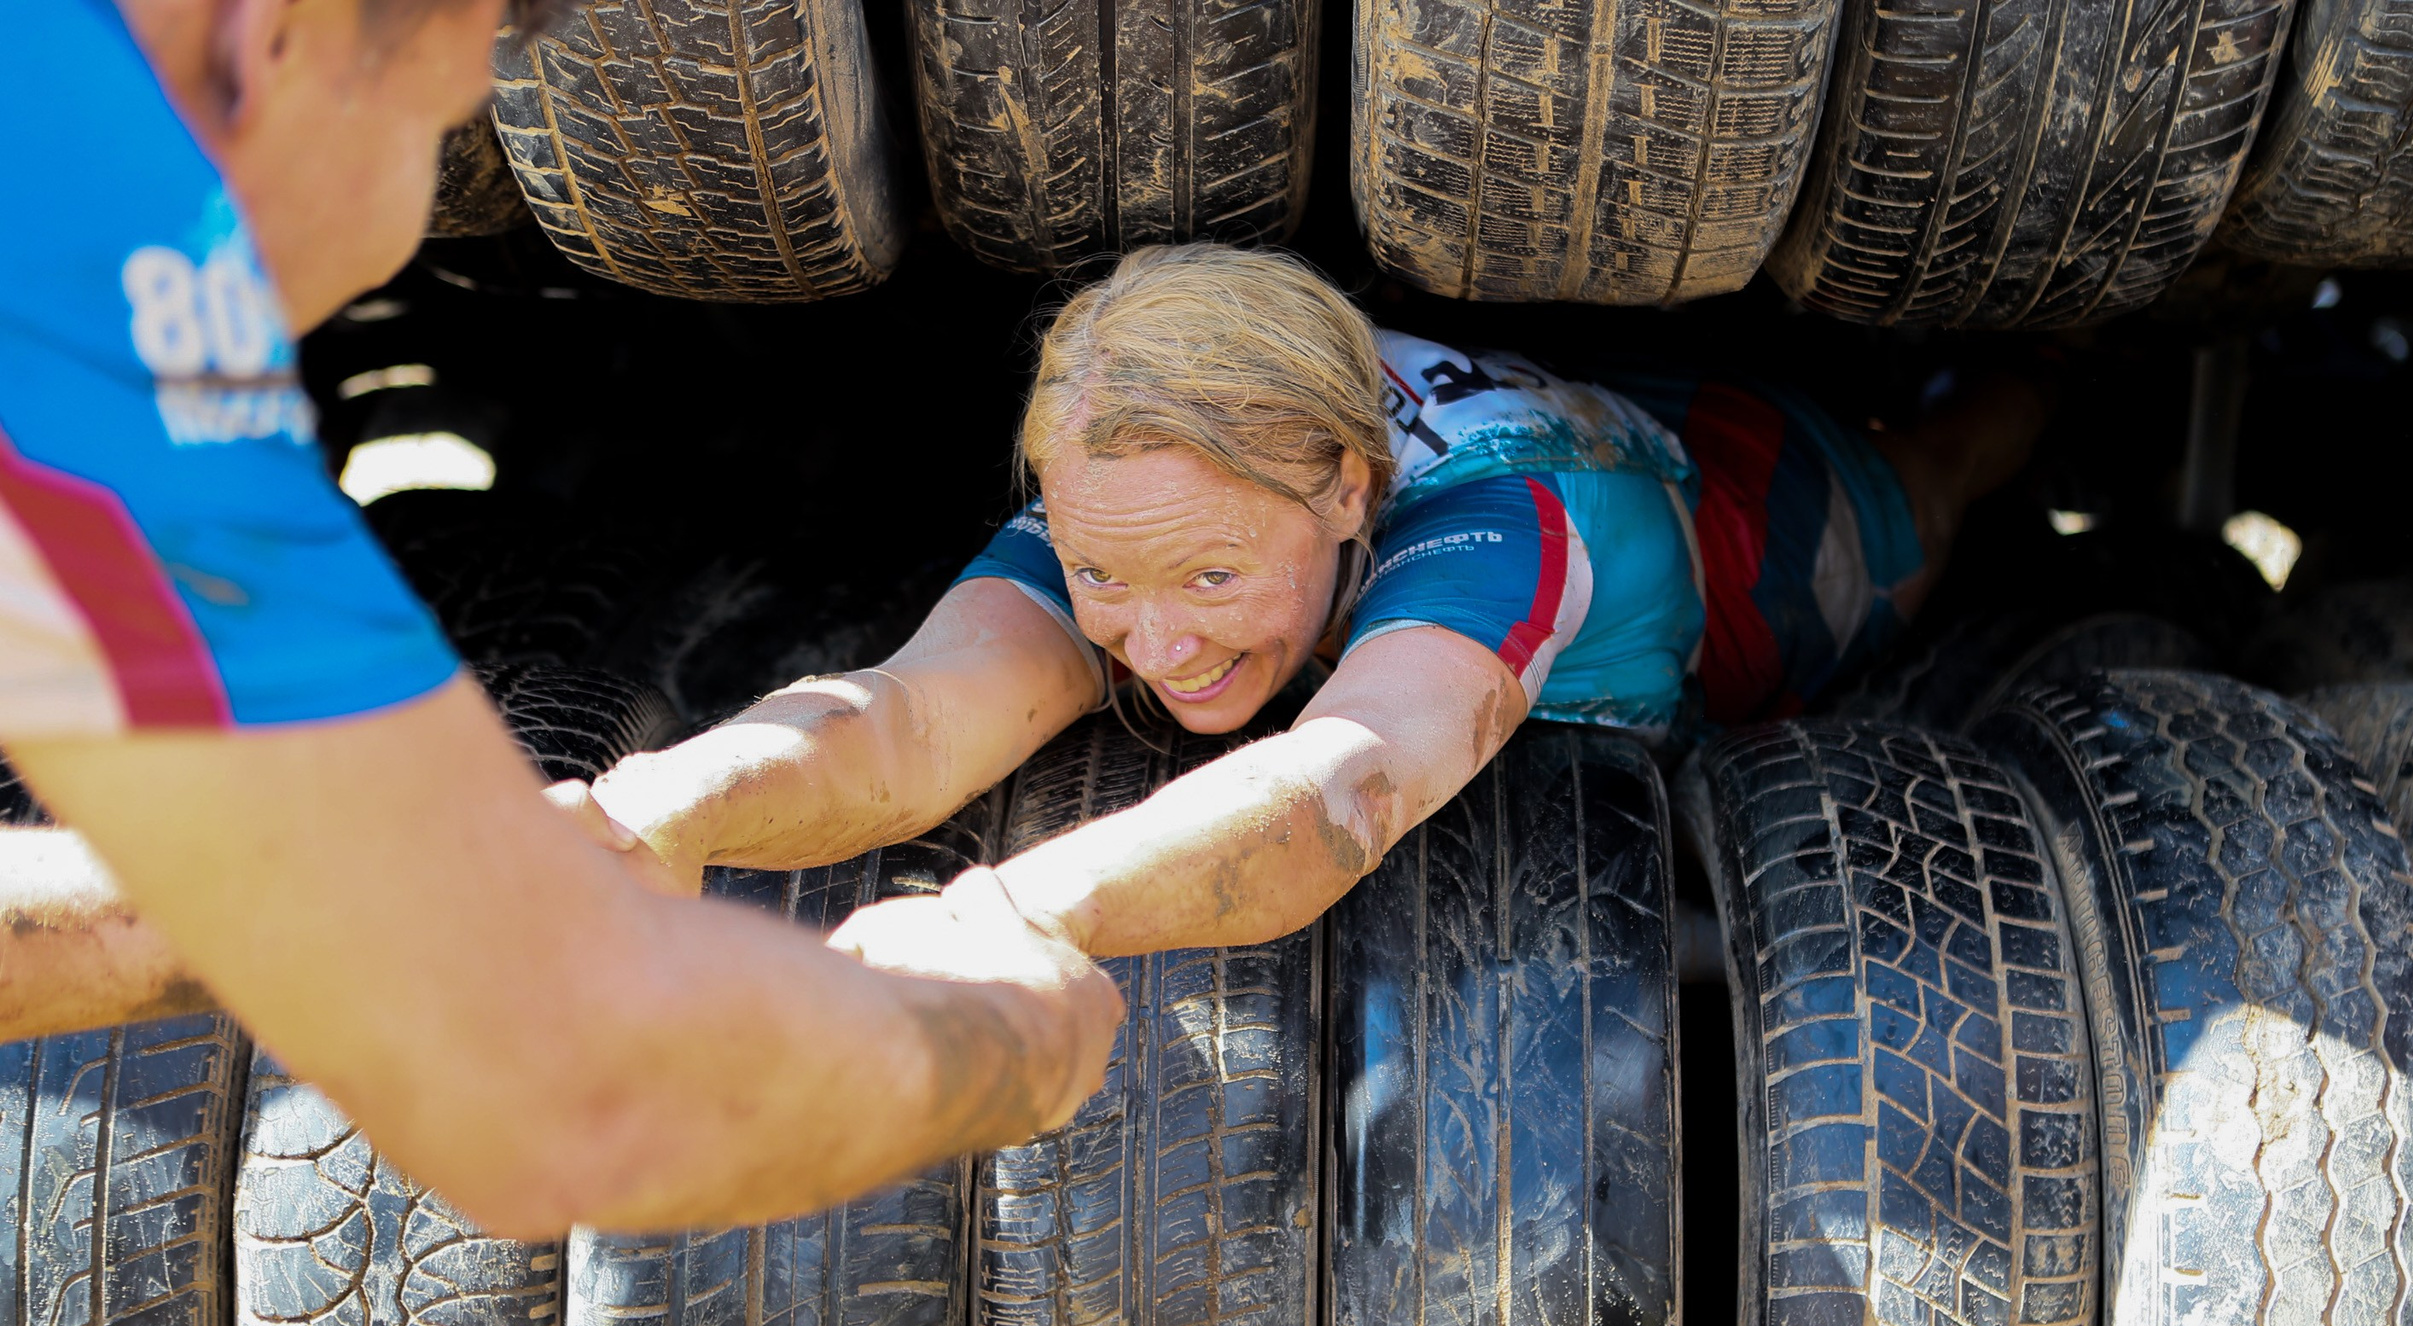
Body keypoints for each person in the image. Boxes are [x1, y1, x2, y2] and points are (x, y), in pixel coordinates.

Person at [0, 0, 1121, 1237]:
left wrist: (341, 897)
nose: (409, 215)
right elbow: (571, 1087)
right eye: (436, 122)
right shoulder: (95, 246)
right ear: (274, 40)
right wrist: (1012, 1039)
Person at [557, 244, 2047, 968]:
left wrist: (1010, 916)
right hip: (1457, 415)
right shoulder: (1134, 498)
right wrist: (657, 807)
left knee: (1944, 477)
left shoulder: (1499, 531)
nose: (1159, 645)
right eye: (1102, 580)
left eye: (1215, 579)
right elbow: (908, 719)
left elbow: (1340, 786)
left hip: (1756, 510)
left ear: (1346, 491)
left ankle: (2055, 381)